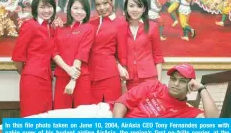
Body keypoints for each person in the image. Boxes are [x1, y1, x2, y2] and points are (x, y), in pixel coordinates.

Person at [18, 64, 219, 118]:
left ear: (189, 86)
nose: (175, 84)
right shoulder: (154, 86)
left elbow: (214, 124)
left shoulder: (188, 113)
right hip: (107, 113)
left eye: (182, 81)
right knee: (53, 119)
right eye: (173, 79)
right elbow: (123, 102)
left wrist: (201, 88)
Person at [11, 0, 56, 117]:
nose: (46, 10)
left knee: (45, 119)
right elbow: (17, 57)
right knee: (31, 118)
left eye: (49, 6)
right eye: (42, 7)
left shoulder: (50, 27)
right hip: (32, 80)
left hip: (47, 79)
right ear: (35, 8)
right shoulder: (29, 25)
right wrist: (28, 73)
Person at [52, 0, 95, 109]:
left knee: (82, 115)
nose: (79, 12)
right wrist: (68, 69)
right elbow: (54, 52)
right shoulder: (60, 28)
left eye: (83, 9)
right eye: (76, 8)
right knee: (60, 114)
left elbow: (82, 53)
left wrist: (73, 79)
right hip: (62, 75)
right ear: (69, 8)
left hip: (81, 77)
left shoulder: (89, 28)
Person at [88, 0, 128, 103]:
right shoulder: (92, 23)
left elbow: (122, 52)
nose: (102, 8)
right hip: (90, 74)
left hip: (109, 74)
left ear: (113, 1)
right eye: (98, 4)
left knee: (110, 111)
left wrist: (121, 67)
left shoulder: (120, 23)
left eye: (105, 3)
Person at [123, 0, 164, 90]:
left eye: (139, 6)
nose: (135, 10)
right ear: (126, 8)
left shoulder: (152, 27)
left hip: (149, 79)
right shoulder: (121, 27)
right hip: (128, 79)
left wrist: (158, 81)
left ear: (144, 9)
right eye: (131, 6)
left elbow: (157, 56)